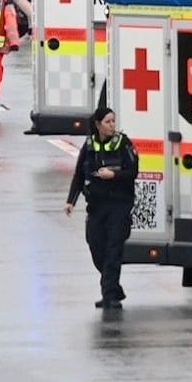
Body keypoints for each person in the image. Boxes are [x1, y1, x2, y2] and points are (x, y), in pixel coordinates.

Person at [64, 105, 137, 308]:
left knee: (113, 250)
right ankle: (114, 289)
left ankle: (109, 296)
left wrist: (114, 175)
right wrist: (71, 200)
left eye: (113, 121)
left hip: (119, 205)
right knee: (96, 247)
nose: (112, 125)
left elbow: (133, 172)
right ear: (98, 125)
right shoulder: (89, 146)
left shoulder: (123, 144)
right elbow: (79, 174)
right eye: (107, 122)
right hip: (97, 206)